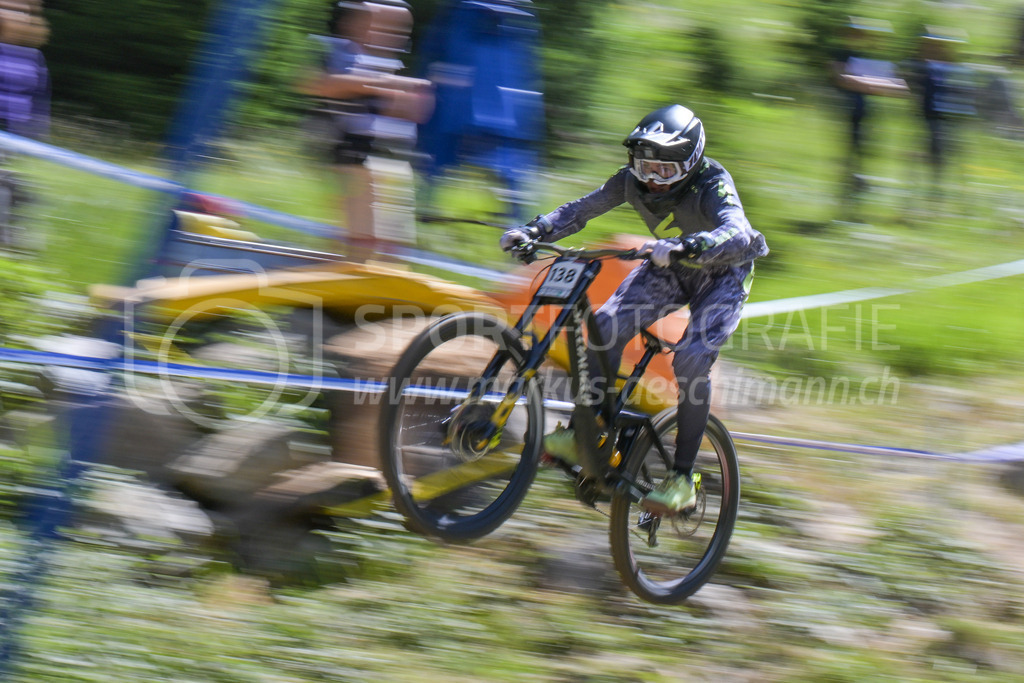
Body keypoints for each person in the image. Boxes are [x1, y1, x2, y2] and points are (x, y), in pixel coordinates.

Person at [500, 104, 768, 514]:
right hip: (672, 266)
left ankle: (682, 479)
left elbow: (738, 229)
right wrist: (535, 230)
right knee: (603, 326)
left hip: (723, 274)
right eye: (644, 166)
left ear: (690, 162)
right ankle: (587, 433)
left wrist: (697, 243)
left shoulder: (713, 182)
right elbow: (582, 209)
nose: (651, 179)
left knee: (691, 362)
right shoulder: (630, 182)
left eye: (664, 169)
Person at [300, 1, 432, 262]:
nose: (393, 35)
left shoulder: (391, 62)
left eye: (399, 29)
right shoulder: (340, 53)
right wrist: (382, 85)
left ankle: (384, 290)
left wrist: (406, 97)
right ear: (356, 25)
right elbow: (316, 83)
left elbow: (415, 109)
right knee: (361, 239)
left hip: (393, 159)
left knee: (395, 245)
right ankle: (340, 288)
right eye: (384, 26)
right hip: (355, 158)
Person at [829, 19, 908, 196]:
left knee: (865, 149)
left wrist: (864, 83)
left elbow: (898, 87)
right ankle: (850, 185)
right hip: (848, 112)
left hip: (867, 112)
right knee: (851, 150)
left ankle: (857, 182)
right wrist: (869, 83)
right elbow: (840, 78)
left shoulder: (868, 58)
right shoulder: (843, 55)